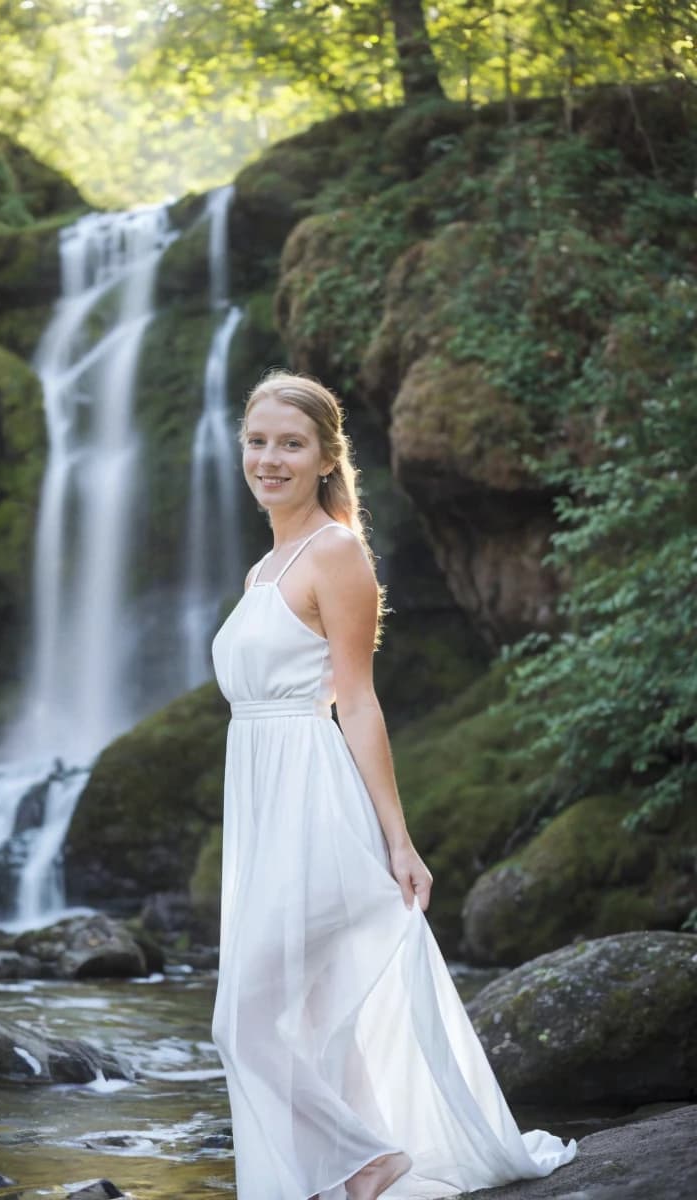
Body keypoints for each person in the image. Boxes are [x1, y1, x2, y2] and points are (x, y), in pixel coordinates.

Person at [209, 371, 576, 1200]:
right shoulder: (263, 570)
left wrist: (397, 840)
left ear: (326, 458)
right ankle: (357, 1175)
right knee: (305, 1017)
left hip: (311, 799)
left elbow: (357, 700)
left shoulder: (334, 554)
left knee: (243, 1022)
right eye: (257, 441)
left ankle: (367, 1157)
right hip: (261, 801)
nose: (269, 459)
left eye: (290, 444)